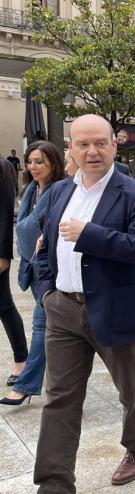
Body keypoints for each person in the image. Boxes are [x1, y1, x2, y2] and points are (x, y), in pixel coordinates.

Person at [32, 114, 135, 494]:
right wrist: (47, 292)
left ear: (114, 145)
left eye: (100, 143)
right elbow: (44, 246)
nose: (92, 151)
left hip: (117, 307)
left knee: (130, 388)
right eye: (83, 144)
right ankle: (54, 486)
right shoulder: (58, 192)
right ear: (69, 147)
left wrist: (89, 234)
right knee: (60, 398)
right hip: (63, 310)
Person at [0, 141, 65, 406]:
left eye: (40, 162)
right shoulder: (31, 189)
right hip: (35, 265)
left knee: (41, 323)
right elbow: (27, 228)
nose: (33, 167)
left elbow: (27, 228)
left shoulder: (59, 190)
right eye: (30, 162)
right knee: (53, 325)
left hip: (53, 267)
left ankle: (25, 385)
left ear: (53, 163)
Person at [0, 156, 26, 387]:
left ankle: (21, 360)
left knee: (4, 305)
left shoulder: (2, 167)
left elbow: (5, 214)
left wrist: (3, 254)